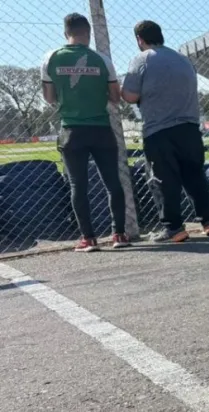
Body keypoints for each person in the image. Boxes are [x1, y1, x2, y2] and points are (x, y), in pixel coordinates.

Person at [121, 20, 209, 243]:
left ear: (139, 39)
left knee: (163, 180)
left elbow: (130, 96)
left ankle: (174, 228)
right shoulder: (183, 60)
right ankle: (208, 222)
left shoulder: (141, 59)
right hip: (190, 128)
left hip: (159, 129)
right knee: (195, 176)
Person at [41, 13, 130, 252]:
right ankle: (119, 234)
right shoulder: (102, 59)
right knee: (113, 182)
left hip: (71, 130)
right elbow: (114, 97)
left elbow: (49, 98)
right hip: (101, 128)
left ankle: (88, 239)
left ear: (65, 32)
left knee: (78, 186)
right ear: (88, 33)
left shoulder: (51, 58)